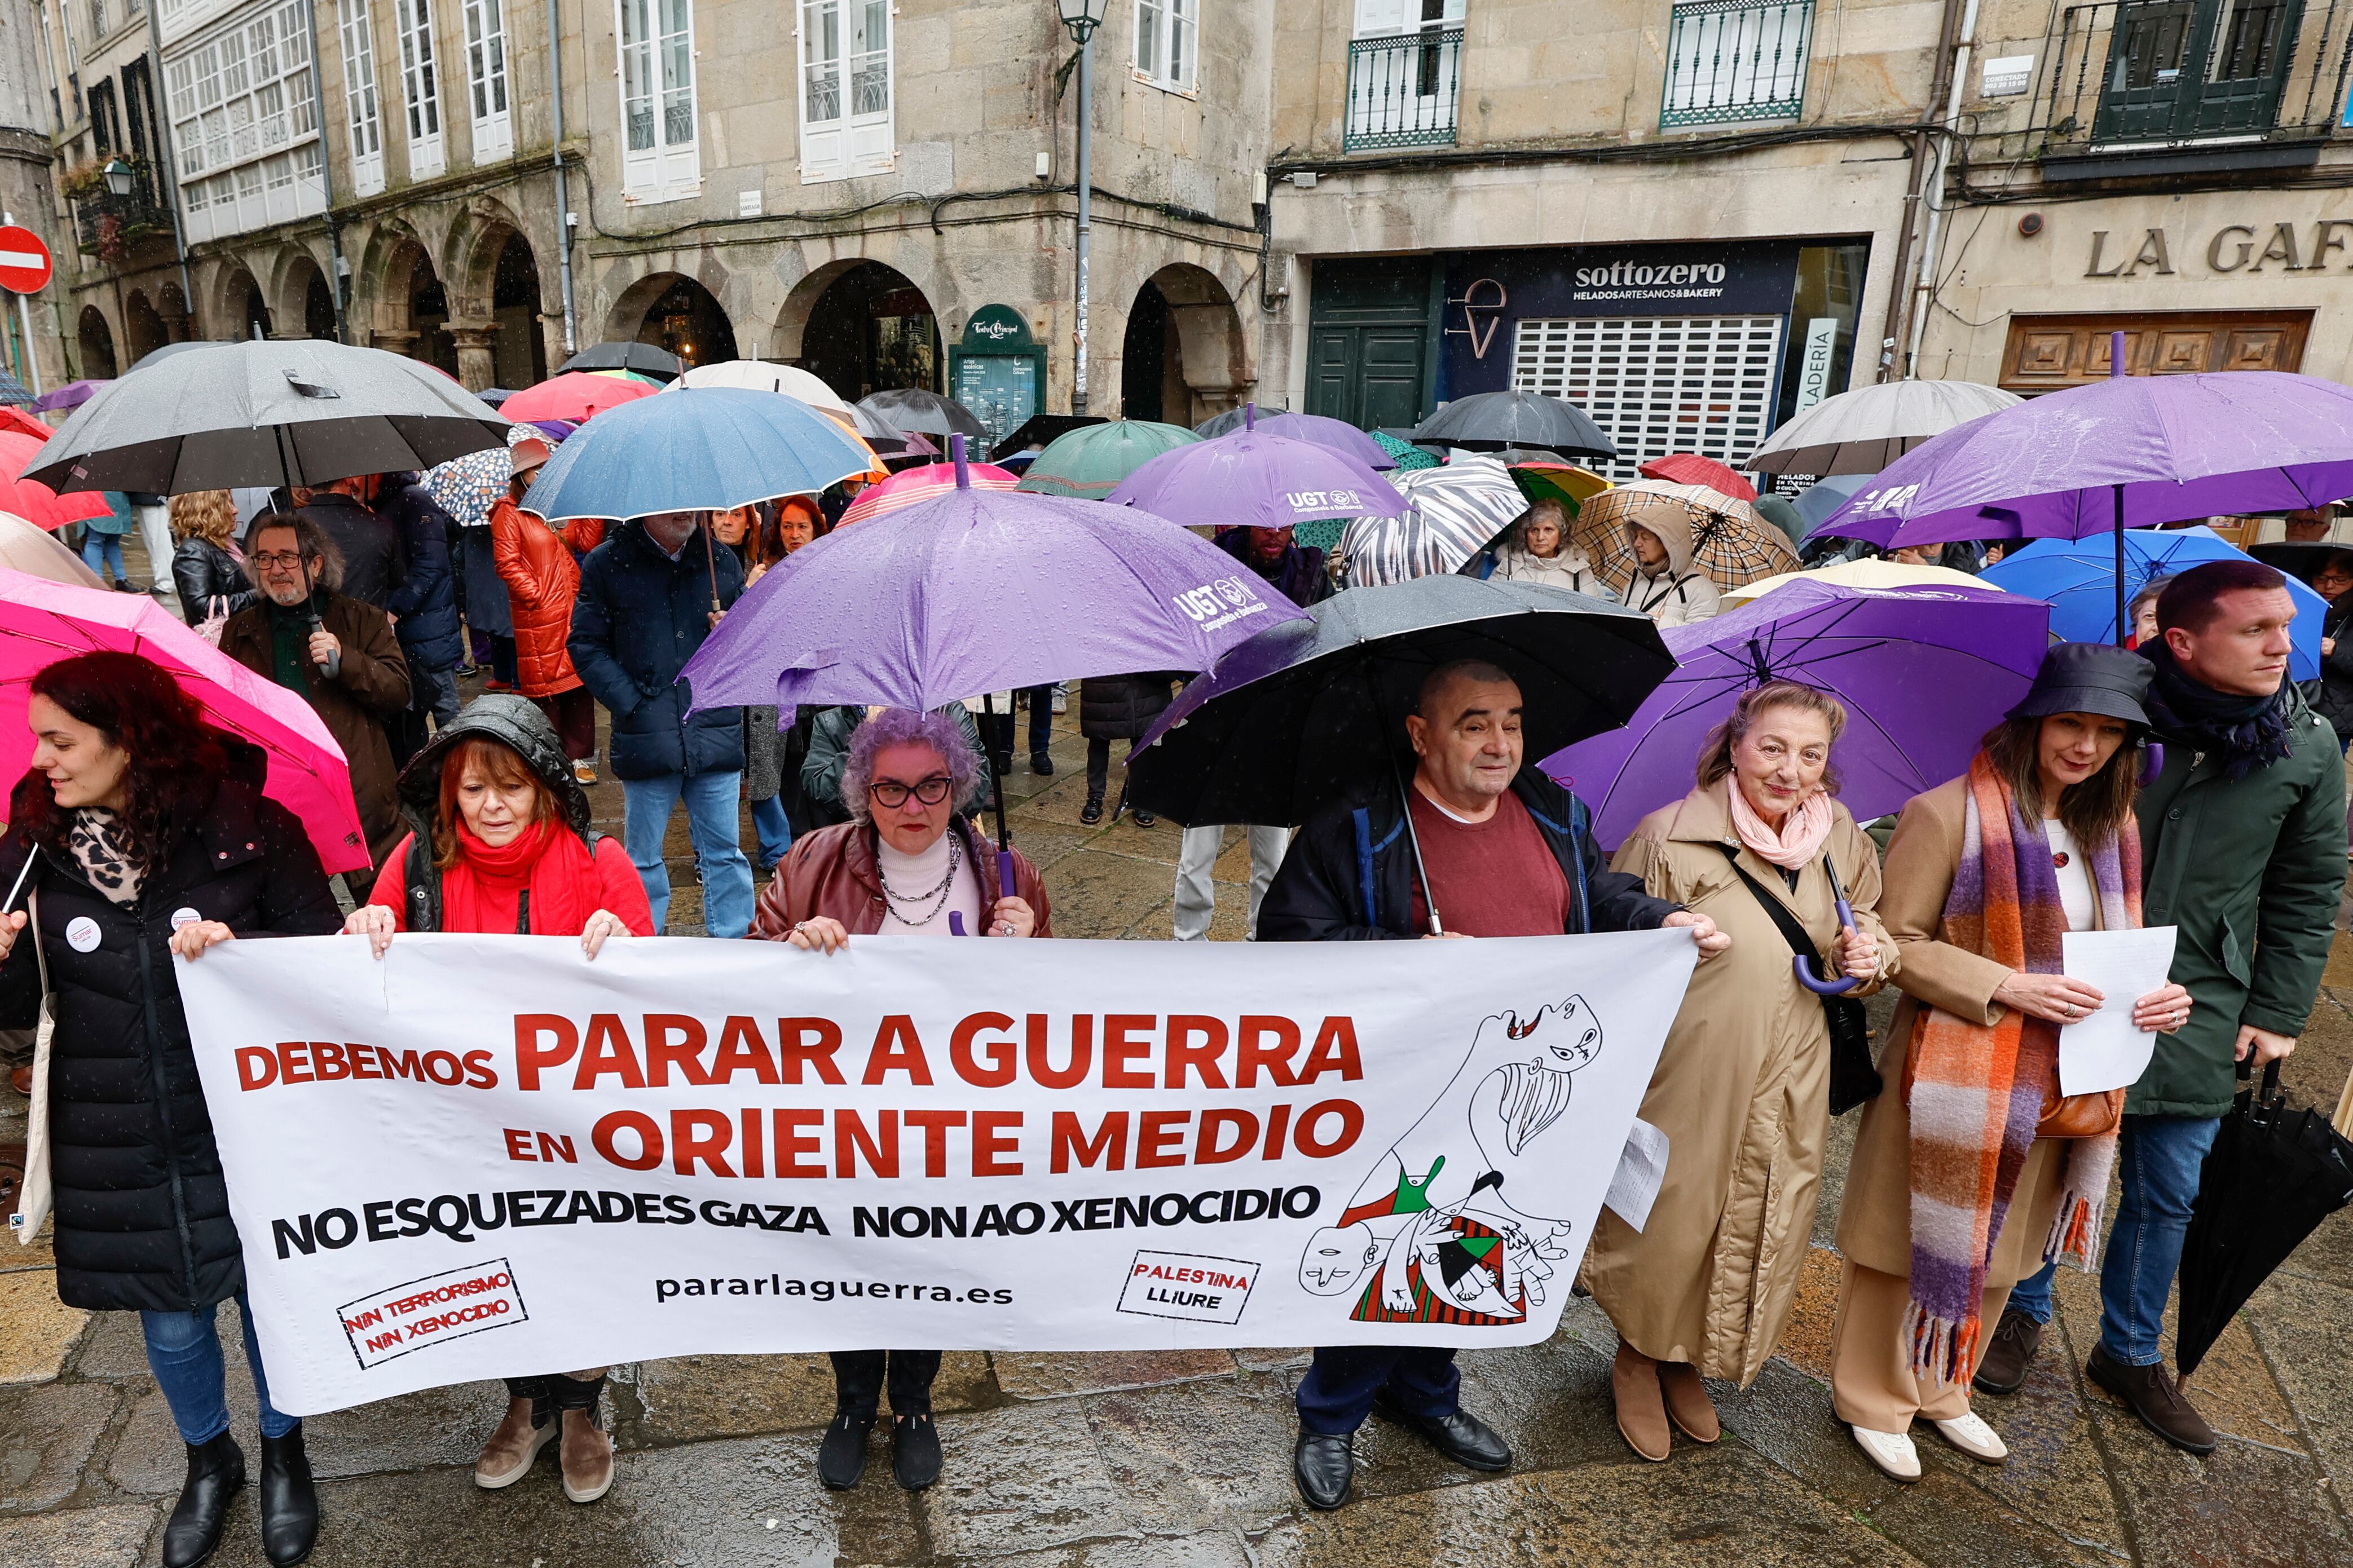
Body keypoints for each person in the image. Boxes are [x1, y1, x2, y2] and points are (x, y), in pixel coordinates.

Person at [1257, 659, 1727, 1510]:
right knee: (1388, 1246)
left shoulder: (1552, 809)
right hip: (1407, 1092)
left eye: (1511, 721)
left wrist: (1661, 920)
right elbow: (1290, 939)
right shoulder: (1360, 824)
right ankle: (1330, 1416)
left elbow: (1598, 892)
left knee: (1471, 1248)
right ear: (1421, 734)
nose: (1500, 742)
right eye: (1474, 723)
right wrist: (1403, 955)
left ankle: (1425, 1394)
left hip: (1526, 1098)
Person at [1993, 561, 2345, 1452]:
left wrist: (2281, 1009)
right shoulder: (2105, 716)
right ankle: (2018, 1310)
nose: (2284, 645)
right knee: (2049, 1149)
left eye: (2285, 627)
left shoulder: (2303, 745)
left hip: (2206, 999)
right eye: (2256, 629)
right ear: (2183, 642)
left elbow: (2308, 887)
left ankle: (2131, 1350)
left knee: (2169, 1188)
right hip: (2075, 975)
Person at [0, 651, 340, 1568]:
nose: (46, 761)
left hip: (246, 1120)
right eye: (39, 740)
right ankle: (208, 1460)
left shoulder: (248, 830)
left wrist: (246, 949)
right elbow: (13, 1022)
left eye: (62, 741)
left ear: (130, 740)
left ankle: (284, 1454)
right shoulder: (31, 846)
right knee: (172, 1316)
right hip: (115, 1129)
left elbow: (327, 971)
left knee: (270, 1297)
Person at [1828, 647, 2191, 1480]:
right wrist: (2005, 985)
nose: (2087, 745)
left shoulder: (2115, 828)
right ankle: (1872, 1396)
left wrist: (2158, 995)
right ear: (2032, 724)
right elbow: (1897, 944)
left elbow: (2114, 951)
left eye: (2108, 732)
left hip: (2062, 1075)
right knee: (1907, 1238)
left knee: (2008, 1244)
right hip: (1959, 1070)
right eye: (2071, 722)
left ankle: (1944, 1386)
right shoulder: (1946, 812)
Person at [342, 695, 651, 1507]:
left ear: (545, 787)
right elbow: (355, 985)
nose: (491, 807)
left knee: (580, 1259)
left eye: (509, 787)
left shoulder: (599, 860)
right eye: (474, 789)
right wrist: (365, 928)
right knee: (494, 1259)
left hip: (576, 1126)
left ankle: (582, 1408)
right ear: (449, 795)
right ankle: (526, 1400)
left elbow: (661, 998)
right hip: (466, 1125)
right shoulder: (414, 867)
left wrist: (628, 948)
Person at [1584, 682, 1891, 1462]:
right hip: (1691, 1067)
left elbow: (1868, 923)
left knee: (1762, 1215)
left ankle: (1692, 1359)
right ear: (1736, 745)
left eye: (1811, 754)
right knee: (1674, 1216)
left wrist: (1872, 956)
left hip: (1797, 1069)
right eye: (1773, 748)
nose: (1790, 770)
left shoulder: (1842, 839)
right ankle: (1638, 1355)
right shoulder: (1668, 837)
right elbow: (1615, 948)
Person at [749, 708, 1050, 1493]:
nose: (913, 808)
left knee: (932, 1259)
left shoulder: (1006, 874)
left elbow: (1056, 1021)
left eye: (932, 787)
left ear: (959, 786)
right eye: (892, 789)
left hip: (955, 1129)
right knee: (849, 1261)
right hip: (844, 1124)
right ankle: (853, 1403)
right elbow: (740, 986)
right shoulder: (813, 863)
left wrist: (1030, 938)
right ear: (861, 790)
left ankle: (914, 1402)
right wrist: (790, 951)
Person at [568, 509, 755, 937]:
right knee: (643, 857)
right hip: (647, 736)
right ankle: (642, 943)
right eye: (673, 503)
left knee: (725, 853)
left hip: (713, 729)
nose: (685, 511)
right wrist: (631, 702)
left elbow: (750, 639)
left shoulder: (718, 560)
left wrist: (732, 631)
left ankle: (736, 950)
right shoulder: (607, 563)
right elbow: (586, 644)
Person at [218, 513, 412, 888]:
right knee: (300, 913)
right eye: (265, 558)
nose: (276, 569)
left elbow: (398, 692)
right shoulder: (240, 630)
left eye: (289, 557)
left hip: (356, 788)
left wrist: (347, 660)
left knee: (380, 917)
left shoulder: (362, 620)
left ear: (316, 563)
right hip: (280, 790)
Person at [1175, 523, 1334, 939]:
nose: (1275, 534)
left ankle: (1264, 940)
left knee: (1274, 856)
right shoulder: (1210, 567)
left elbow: (1331, 641)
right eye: (1267, 524)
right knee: (1198, 852)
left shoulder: (1311, 574)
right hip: (1214, 725)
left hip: (1277, 731)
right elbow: (1182, 642)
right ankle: (1189, 941)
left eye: (1285, 526)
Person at [492, 441, 599, 786]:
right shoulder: (509, 512)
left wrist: (587, 505)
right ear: (520, 474)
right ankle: (551, 757)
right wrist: (537, 596)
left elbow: (586, 542)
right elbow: (507, 564)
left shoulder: (560, 505)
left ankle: (580, 758)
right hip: (539, 615)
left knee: (579, 685)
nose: (542, 475)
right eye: (536, 468)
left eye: (546, 468)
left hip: (573, 608)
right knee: (547, 689)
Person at [711, 501, 794, 869]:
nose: (726, 521)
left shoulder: (767, 566)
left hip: (760, 685)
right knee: (719, 774)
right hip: (720, 686)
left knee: (764, 770)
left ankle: (776, 848)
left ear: (750, 523)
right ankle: (714, 851)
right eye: (718, 515)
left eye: (735, 515)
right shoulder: (704, 568)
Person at [377, 472, 465, 766]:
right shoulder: (388, 501)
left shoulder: (414, 500)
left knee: (447, 715)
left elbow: (431, 565)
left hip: (429, 630)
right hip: (411, 632)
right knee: (412, 717)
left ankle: (459, 772)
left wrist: (396, 608)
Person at [801, 703, 994, 826]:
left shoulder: (947, 710)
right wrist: (870, 737)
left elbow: (976, 794)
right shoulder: (832, 722)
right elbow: (819, 789)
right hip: (861, 846)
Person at [1076, 672, 1178, 825]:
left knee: (1142, 744)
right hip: (1104, 684)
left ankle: (1140, 798)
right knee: (1099, 739)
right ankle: (1095, 797)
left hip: (1145, 688)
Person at [292, 474, 406, 609]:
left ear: (309, 488)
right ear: (347, 480)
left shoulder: (292, 526)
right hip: (369, 624)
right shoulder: (381, 526)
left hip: (314, 625)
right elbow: (397, 580)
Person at [1490, 499, 1616, 599]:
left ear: (1561, 533)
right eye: (1534, 530)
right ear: (1525, 533)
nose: (1540, 537)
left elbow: (1592, 619)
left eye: (1548, 530)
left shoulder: (1578, 572)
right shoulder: (1507, 568)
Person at [168, 491, 257, 628]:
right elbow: (202, 607)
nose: (235, 510)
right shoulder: (194, 551)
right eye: (227, 505)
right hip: (224, 639)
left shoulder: (235, 546)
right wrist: (258, 595)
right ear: (207, 512)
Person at [1625, 505, 1722, 626]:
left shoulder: (1703, 591)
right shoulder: (1635, 583)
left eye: (1645, 537)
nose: (1637, 543)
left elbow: (1702, 638)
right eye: (1636, 537)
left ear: (1668, 543)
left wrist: (1660, 624)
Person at [2305, 550, 2353, 749]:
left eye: (2339, 579)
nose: (2329, 586)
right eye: (2322, 578)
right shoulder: (2300, 604)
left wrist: (2336, 650)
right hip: (2298, 702)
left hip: (2338, 714)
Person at [82, 489, 135, 590]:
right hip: (119, 502)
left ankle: (97, 581)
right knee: (112, 543)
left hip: (97, 501)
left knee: (94, 543)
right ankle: (121, 580)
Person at [2126, 574, 2174, 650]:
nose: (2157, 628)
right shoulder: (2110, 658)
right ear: (2136, 618)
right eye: (2150, 616)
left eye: (2170, 619)